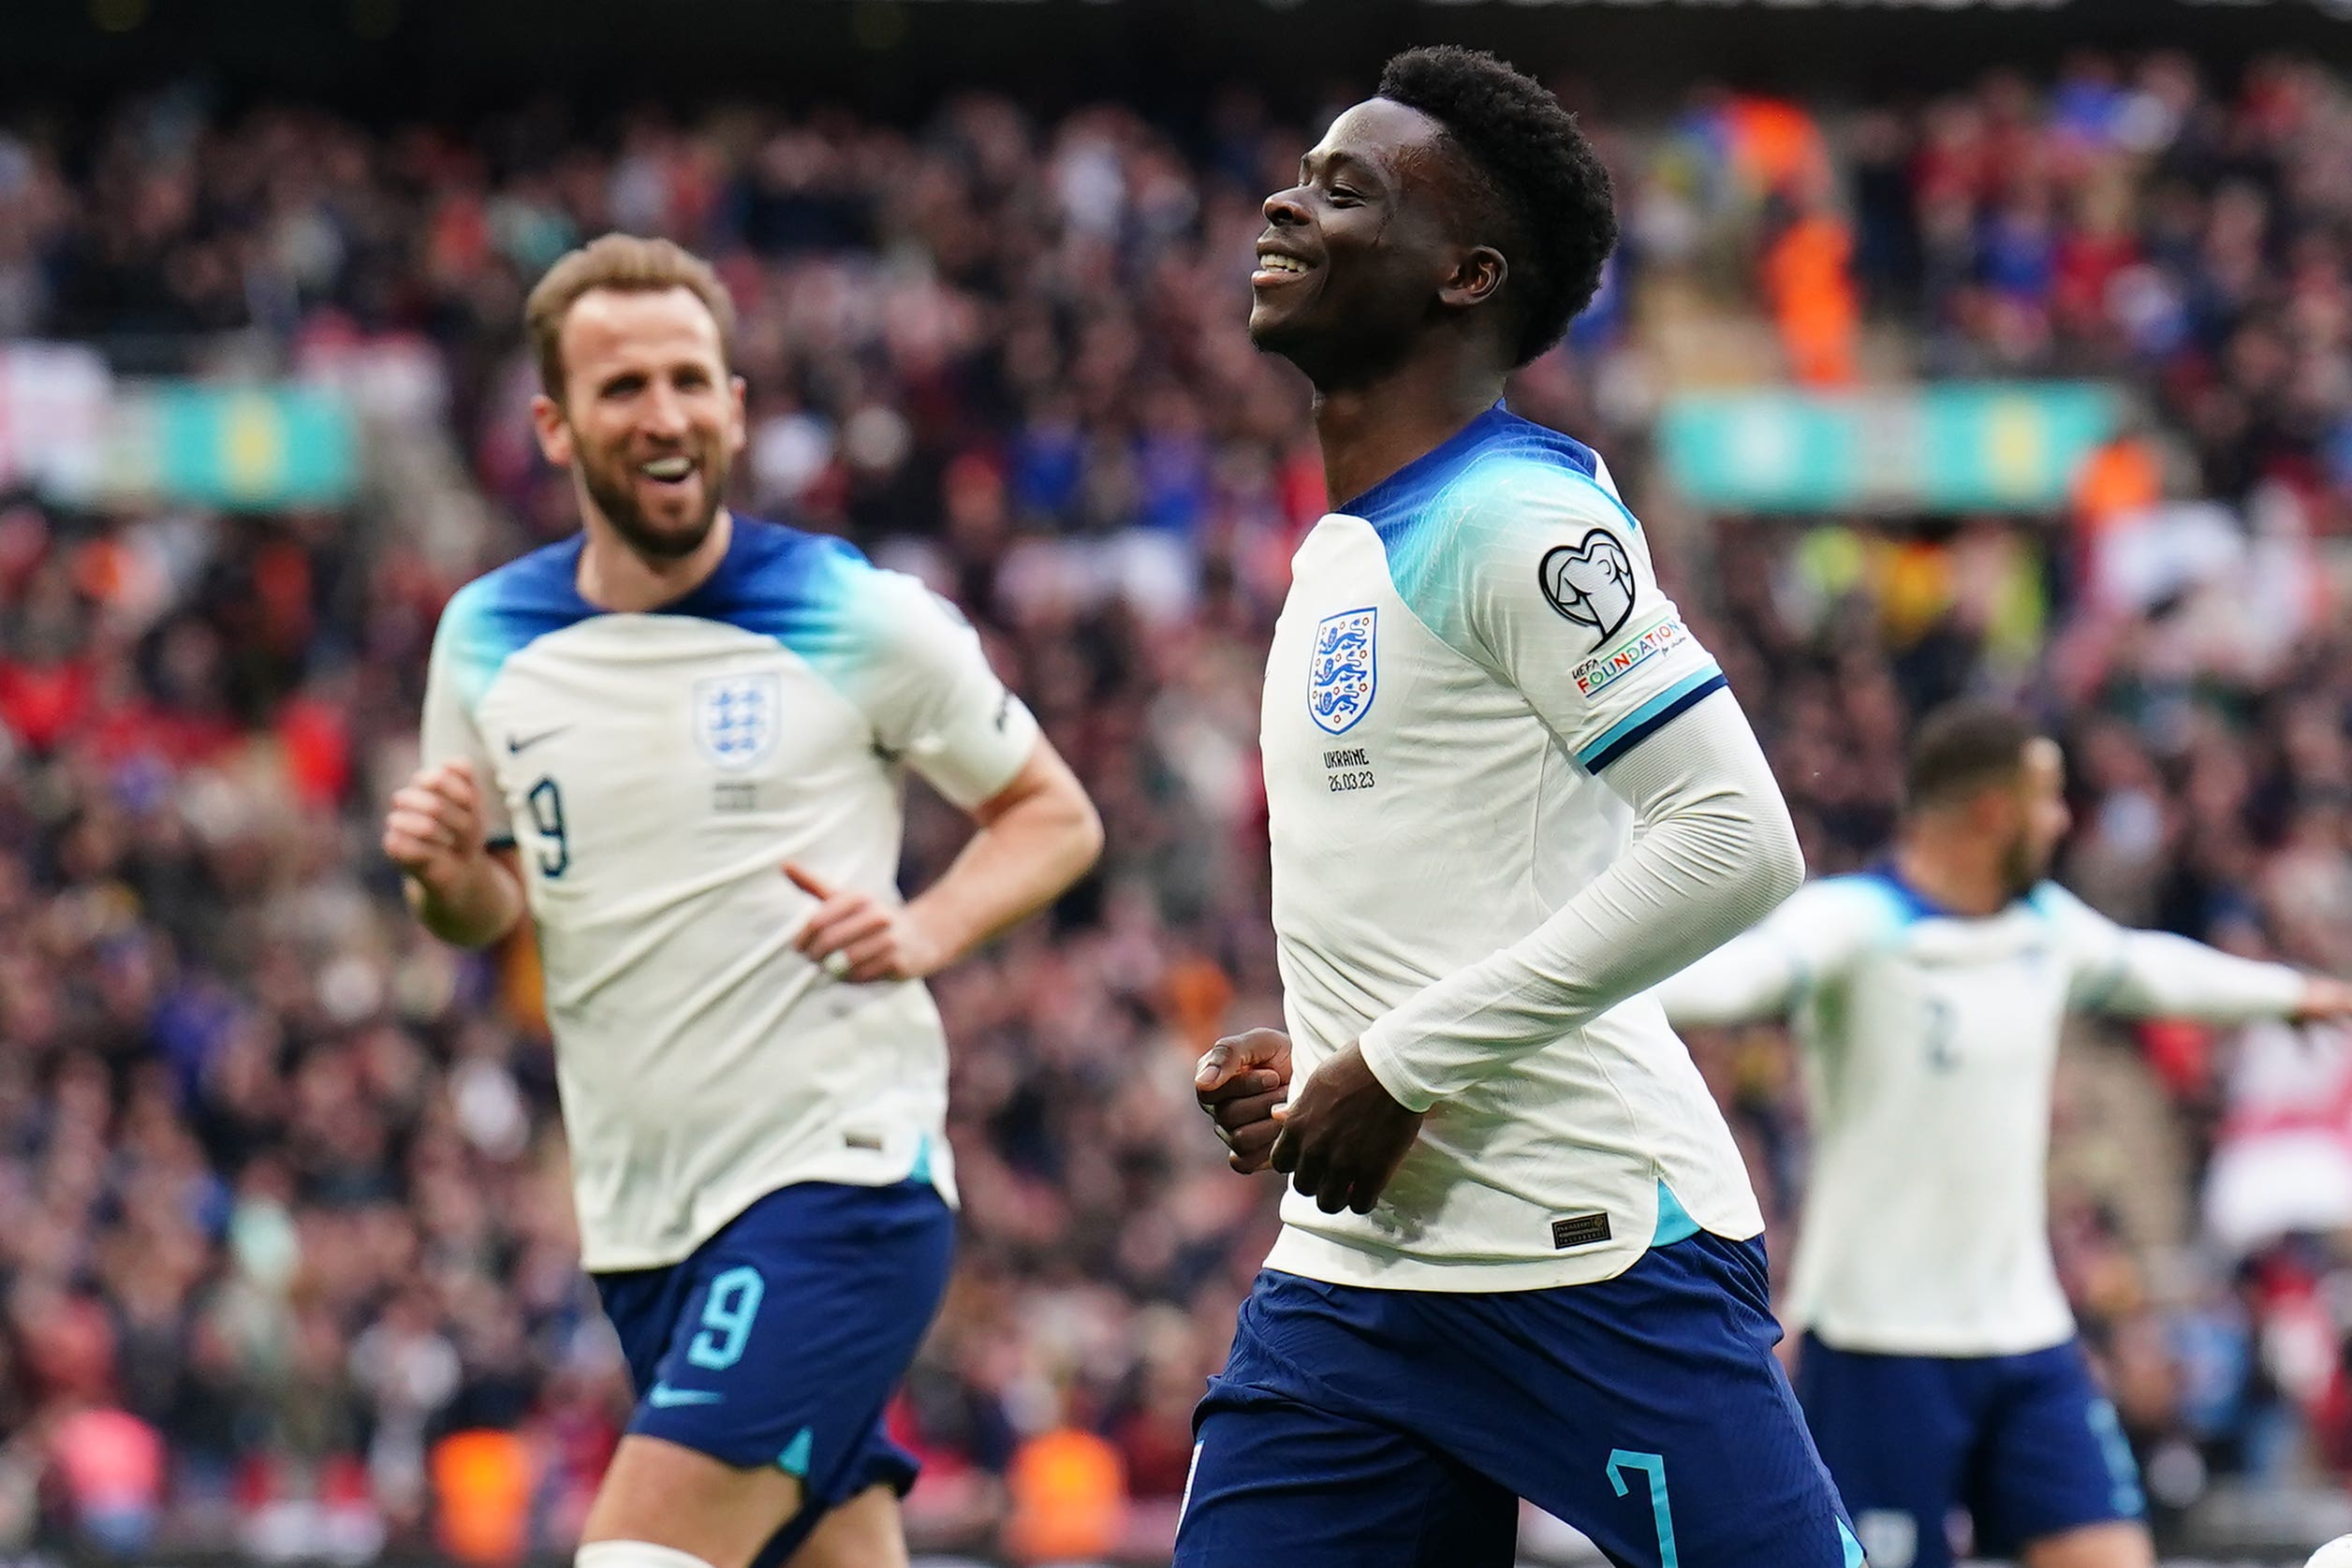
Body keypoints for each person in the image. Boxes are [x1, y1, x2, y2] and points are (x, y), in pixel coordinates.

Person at [1183, 46, 1862, 1568]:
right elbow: (1469, 889)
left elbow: (1735, 842)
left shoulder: (1521, 517)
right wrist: (1323, 1066)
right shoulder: (1338, 551)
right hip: (1351, 1287)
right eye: (1300, 173)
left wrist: (1402, 1061)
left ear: (1463, 274)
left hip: (1591, 1255)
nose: (1285, 204)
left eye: (1342, 189)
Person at [380, 235, 1101, 1568]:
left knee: (640, 1553)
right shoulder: (486, 635)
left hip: (835, 1182)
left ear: (736, 403)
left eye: (689, 380)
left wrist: (927, 925)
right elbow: (489, 912)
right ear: (554, 423)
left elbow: (1056, 813)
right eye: (623, 387)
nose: (664, 415)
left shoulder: (852, 612)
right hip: (640, 1222)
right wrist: (443, 876)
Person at [1652, 700, 2352, 1568]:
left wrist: (2292, 994)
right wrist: (1600, 990)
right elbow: (1744, 978)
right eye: (2049, 797)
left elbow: (2147, 967)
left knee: (2109, 1554)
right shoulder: (1858, 922)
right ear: (1993, 811)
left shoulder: (2042, 927)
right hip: (1881, 1344)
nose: (2061, 818)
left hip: (2027, 1335)